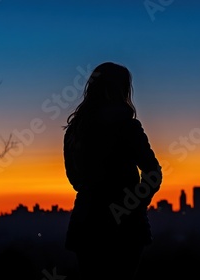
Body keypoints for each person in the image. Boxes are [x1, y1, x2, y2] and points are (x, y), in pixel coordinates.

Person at [62, 61, 162, 279]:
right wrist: (134, 202)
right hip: (126, 227)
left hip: (87, 223)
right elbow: (153, 173)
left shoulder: (75, 131)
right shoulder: (127, 127)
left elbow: (74, 178)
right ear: (123, 89)